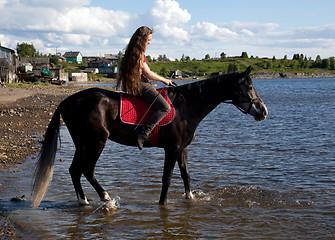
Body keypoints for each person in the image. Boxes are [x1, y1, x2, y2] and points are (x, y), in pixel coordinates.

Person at [117, 26, 173, 150]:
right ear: (142, 40)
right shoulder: (139, 54)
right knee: (165, 107)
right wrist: (165, 80)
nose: (149, 42)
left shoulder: (130, 52)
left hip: (135, 84)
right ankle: (143, 133)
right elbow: (148, 74)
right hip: (142, 85)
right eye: (148, 40)